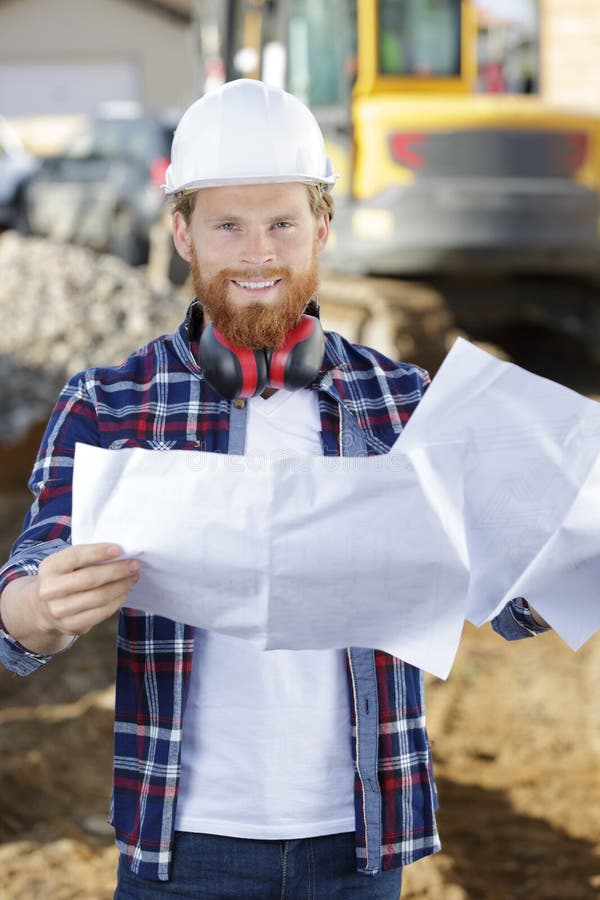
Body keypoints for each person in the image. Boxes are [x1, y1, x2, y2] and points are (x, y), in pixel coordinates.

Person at [0, 79, 550, 899]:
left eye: (283, 223)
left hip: (360, 848)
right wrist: (41, 608)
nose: (259, 253)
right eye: (228, 224)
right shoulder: (108, 404)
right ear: (182, 232)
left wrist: (569, 540)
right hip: (181, 853)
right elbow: (17, 608)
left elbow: (512, 604)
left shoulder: (408, 406)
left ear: (322, 227)